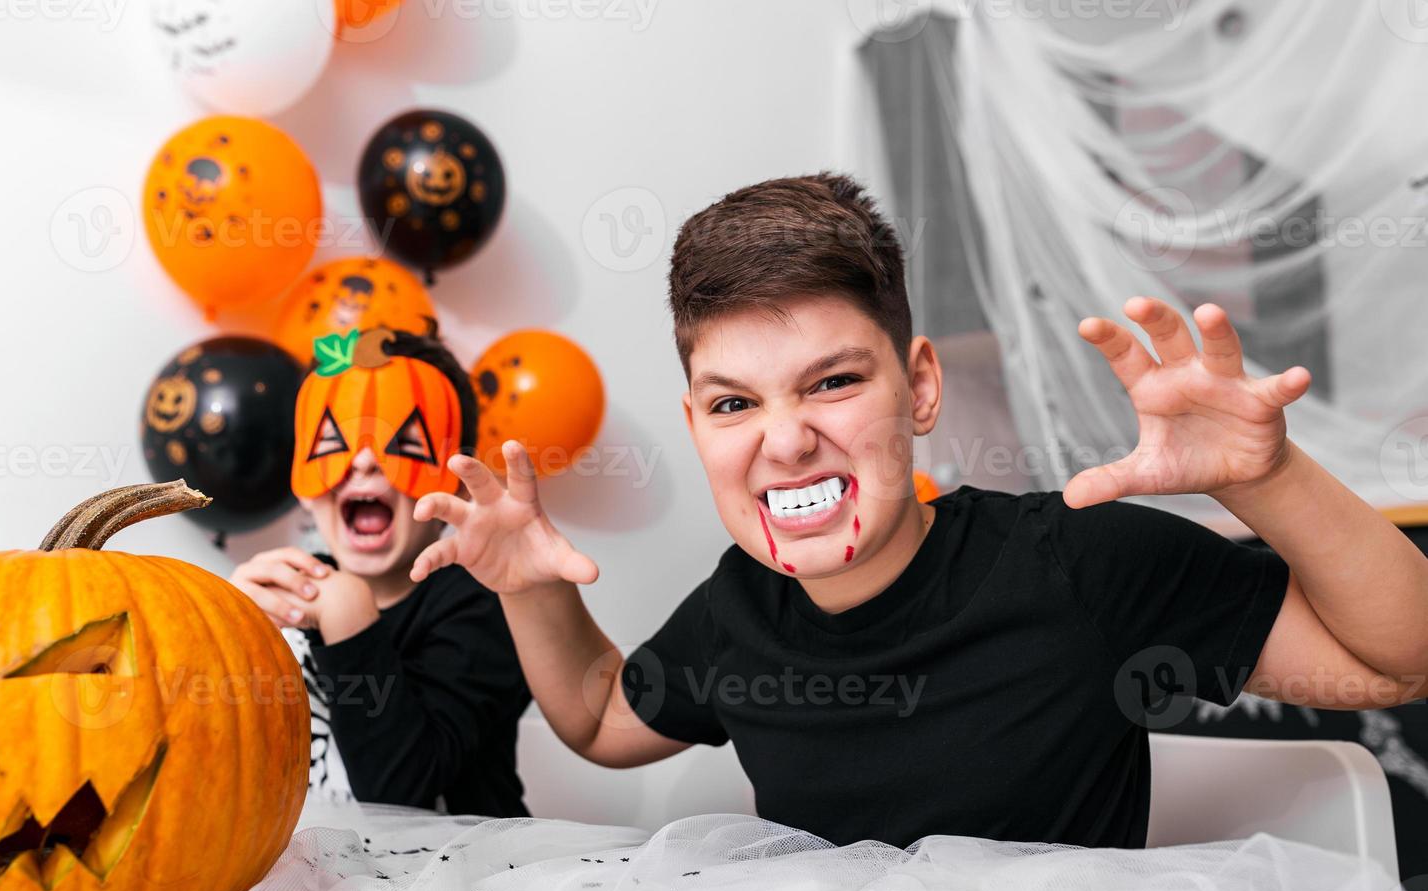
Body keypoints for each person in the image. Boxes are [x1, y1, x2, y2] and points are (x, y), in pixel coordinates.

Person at [410, 173, 1428, 847]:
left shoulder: (1076, 559)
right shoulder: (737, 610)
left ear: (921, 386)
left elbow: (1399, 658)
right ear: (696, 422)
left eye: (832, 383)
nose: (785, 438)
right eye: (734, 403)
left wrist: (1265, 474)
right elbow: (594, 714)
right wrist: (528, 582)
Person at [231, 328, 531, 816]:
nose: (366, 461)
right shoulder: (289, 585)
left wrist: (347, 613)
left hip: (448, 878)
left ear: (455, 482)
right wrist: (223, 627)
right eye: (334, 438)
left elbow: (400, 796)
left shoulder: (483, 604)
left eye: (405, 442)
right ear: (303, 477)